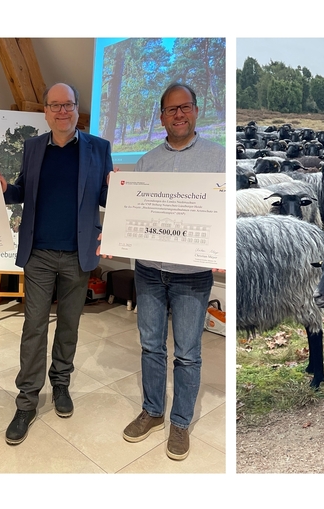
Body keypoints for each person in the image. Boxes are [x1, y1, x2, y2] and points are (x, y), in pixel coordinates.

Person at [0, 83, 112, 445]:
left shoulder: (98, 148)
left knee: (70, 326)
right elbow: (23, 191)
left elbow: (107, 197)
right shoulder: (32, 147)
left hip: (78, 254)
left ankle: (61, 384)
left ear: (77, 110)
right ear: (45, 111)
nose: (62, 111)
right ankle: (27, 401)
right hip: (40, 253)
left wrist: (122, 187)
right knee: (34, 327)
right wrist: (4, 190)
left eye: (69, 105)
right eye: (55, 105)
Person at [117, 83, 225, 460]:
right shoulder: (146, 162)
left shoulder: (218, 159)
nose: (179, 115)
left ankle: (180, 422)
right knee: (150, 345)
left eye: (186, 107)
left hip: (191, 273)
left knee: (188, 352)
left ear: (196, 111)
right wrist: (115, 234)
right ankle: (152, 411)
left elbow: (228, 215)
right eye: (171, 110)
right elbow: (132, 214)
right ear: (161, 116)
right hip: (148, 270)